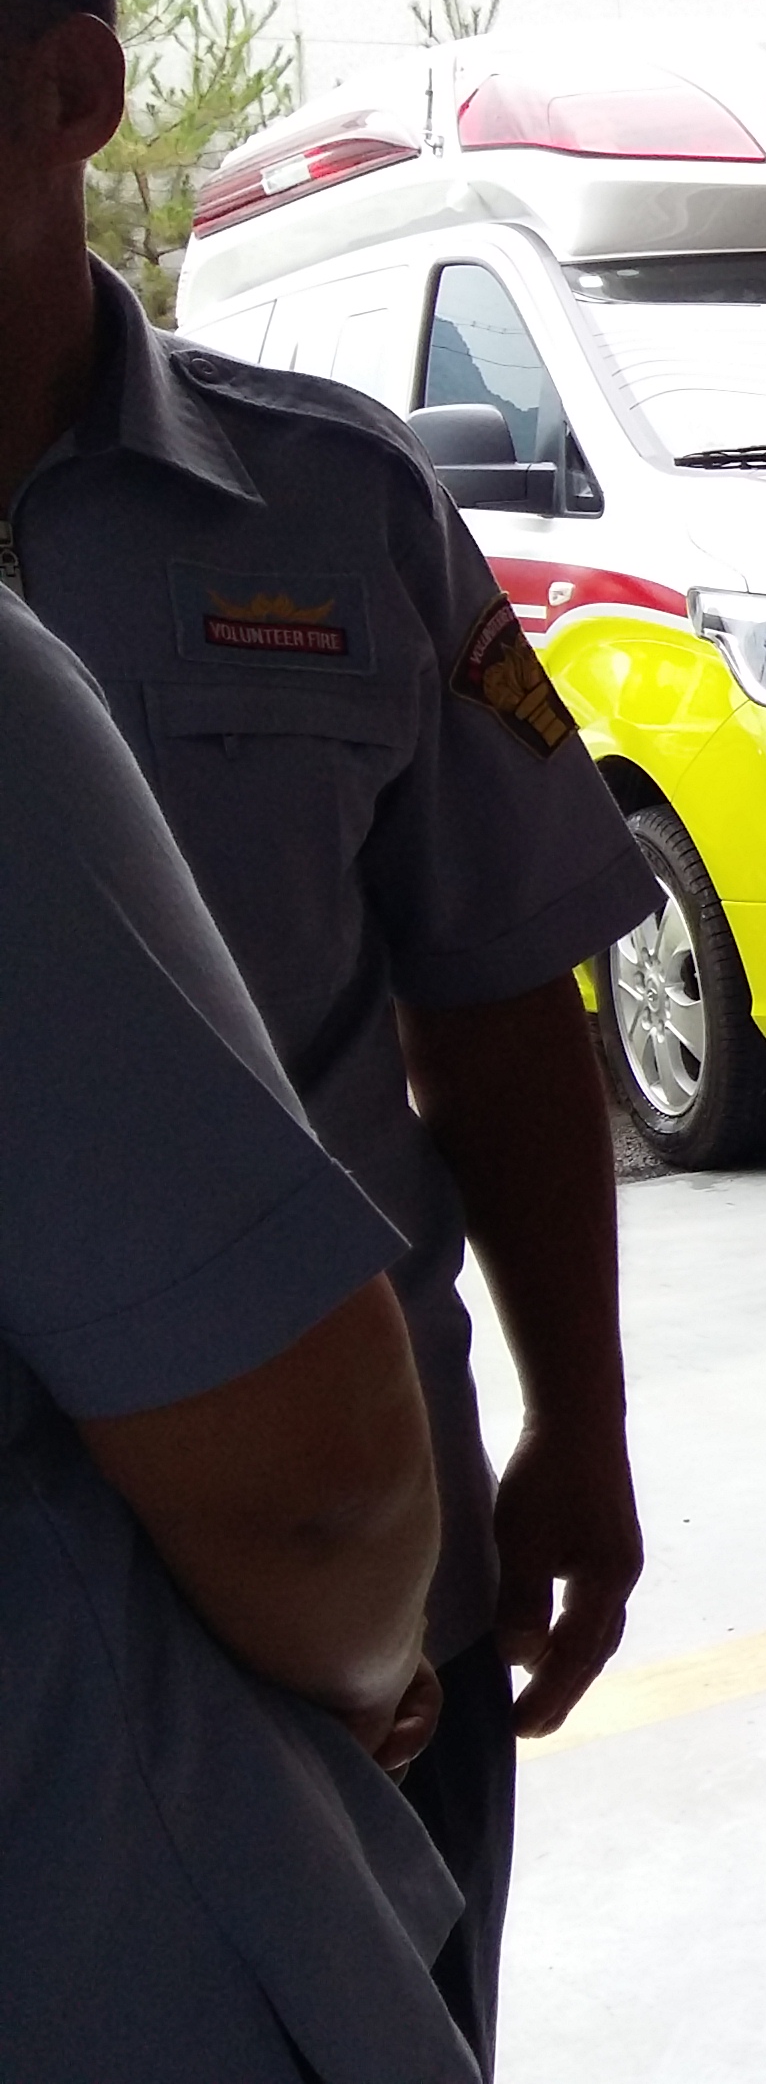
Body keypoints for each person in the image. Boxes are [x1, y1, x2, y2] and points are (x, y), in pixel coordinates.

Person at [0, 0, 660, 2065]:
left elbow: (501, 1009)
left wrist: (580, 1428)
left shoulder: (332, 502)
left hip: (368, 1571)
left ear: (69, 90)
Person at [0, 579, 477, 2082]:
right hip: (121, 1891)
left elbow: (498, 966)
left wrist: (575, 1426)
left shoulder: (345, 500)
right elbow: (314, 1496)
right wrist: (366, 1664)